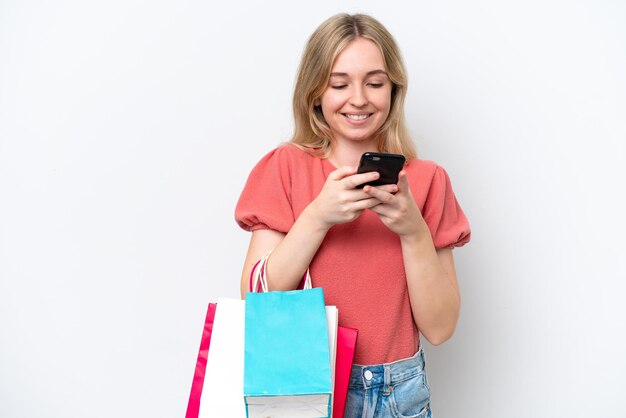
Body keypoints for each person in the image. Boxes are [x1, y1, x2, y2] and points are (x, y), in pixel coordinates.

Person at [235, 13, 470, 418]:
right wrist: (318, 216)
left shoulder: (427, 181)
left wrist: (413, 231)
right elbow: (256, 299)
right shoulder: (286, 168)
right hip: (309, 385)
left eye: (375, 83)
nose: (358, 98)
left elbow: (440, 328)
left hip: (400, 391)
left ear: (394, 91)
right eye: (339, 84)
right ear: (315, 93)